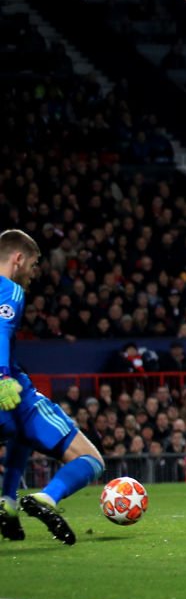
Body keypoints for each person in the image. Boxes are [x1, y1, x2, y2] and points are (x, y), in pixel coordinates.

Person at [0, 229, 106, 545]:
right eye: (33, 266)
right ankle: (47, 498)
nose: (33, 275)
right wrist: (3, 376)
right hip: (12, 391)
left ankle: (8, 501)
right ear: (18, 259)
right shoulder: (10, 291)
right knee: (92, 459)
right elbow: (0, 333)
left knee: (21, 434)